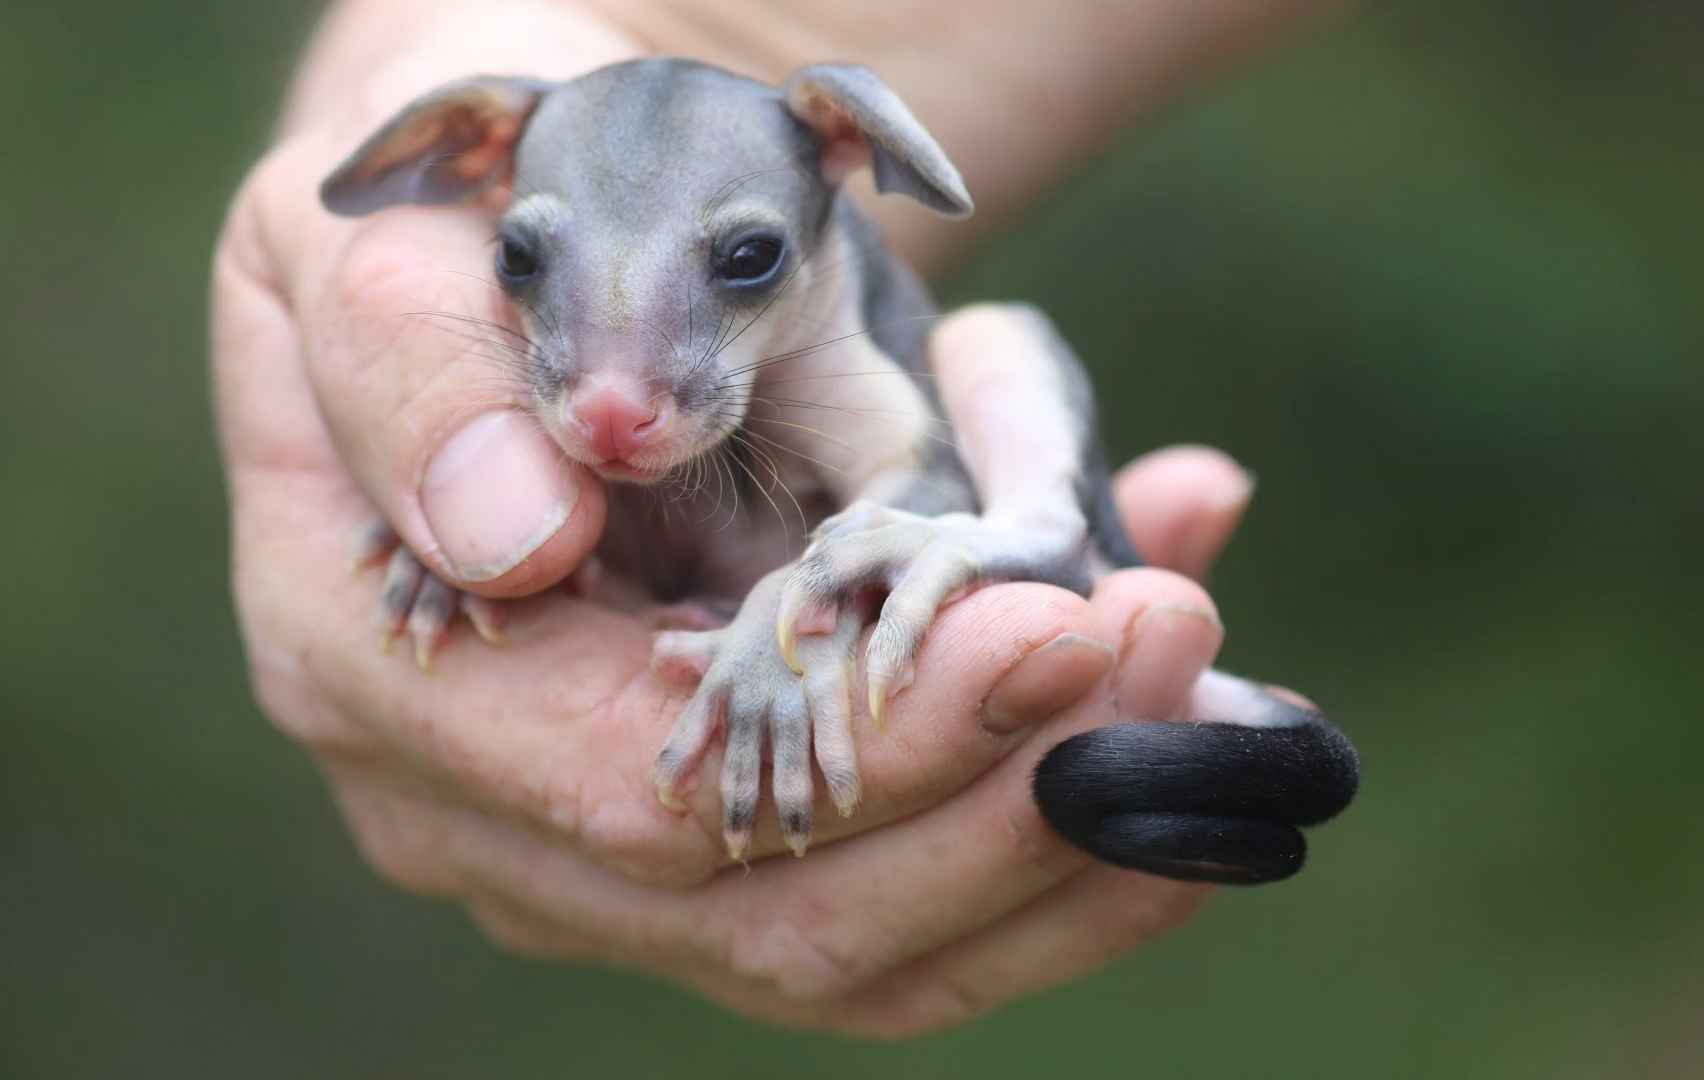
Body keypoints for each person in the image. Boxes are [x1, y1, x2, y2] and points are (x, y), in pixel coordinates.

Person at [210, 0, 1337, 1035]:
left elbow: (921, 481)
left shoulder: (846, 318)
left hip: (993, 558)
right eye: (525, 261)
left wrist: (793, 614)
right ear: (471, 150)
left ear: (848, 145)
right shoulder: (540, 174)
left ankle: (1042, 532)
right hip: (716, 601)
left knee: (996, 342)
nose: (614, 398)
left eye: (743, 264)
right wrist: (466, 551)